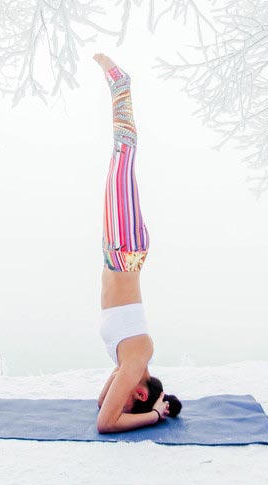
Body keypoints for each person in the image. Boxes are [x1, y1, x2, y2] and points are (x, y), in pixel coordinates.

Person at [93, 53, 182, 434]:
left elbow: (102, 405)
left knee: (118, 165)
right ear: (140, 394)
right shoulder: (138, 357)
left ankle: (121, 87)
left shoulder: (127, 365)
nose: (121, 397)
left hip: (116, 253)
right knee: (123, 156)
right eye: (133, 398)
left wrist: (157, 404)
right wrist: (156, 416)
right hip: (126, 253)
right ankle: (121, 85)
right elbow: (106, 423)